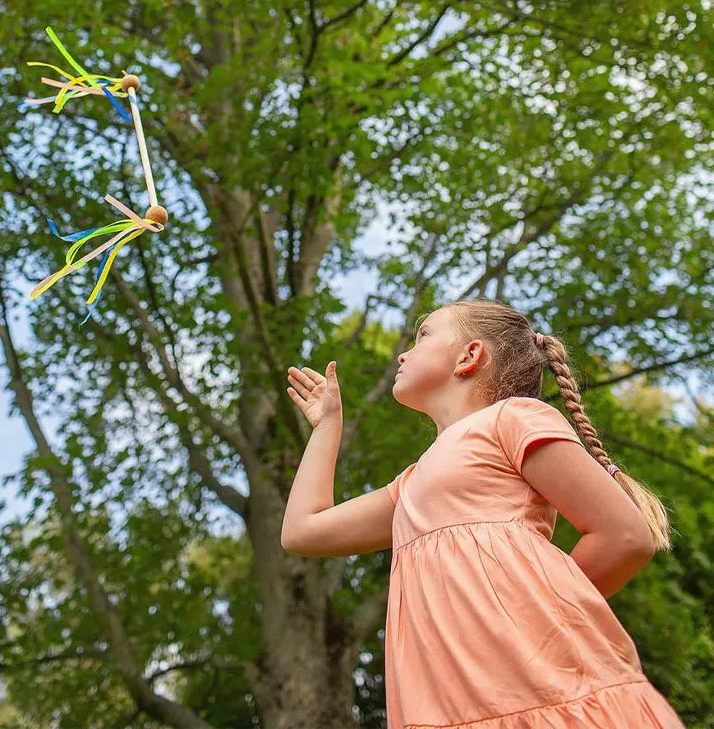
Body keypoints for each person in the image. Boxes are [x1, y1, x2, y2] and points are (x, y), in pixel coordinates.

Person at [282, 297, 685, 729]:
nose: (403, 352)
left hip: (543, 688)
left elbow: (625, 535)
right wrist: (327, 427)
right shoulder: (411, 484)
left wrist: (536, 623)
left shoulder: (512, 418)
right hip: (447, 703)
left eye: (423, 335)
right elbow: (303, 532)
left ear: (469, 356)